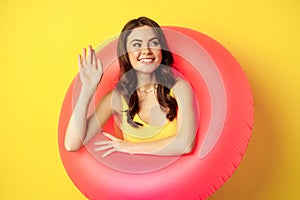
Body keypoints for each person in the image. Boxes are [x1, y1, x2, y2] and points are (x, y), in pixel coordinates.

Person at [64, 17, 196, 157]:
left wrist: (131, 147)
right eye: (137, 45)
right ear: (125, 53)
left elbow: (186, 144)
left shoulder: (179, 88)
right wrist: (87, 88)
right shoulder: (116, 98)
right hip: (136, 176)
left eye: (154, 43)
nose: (146, 50)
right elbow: (72, 144)